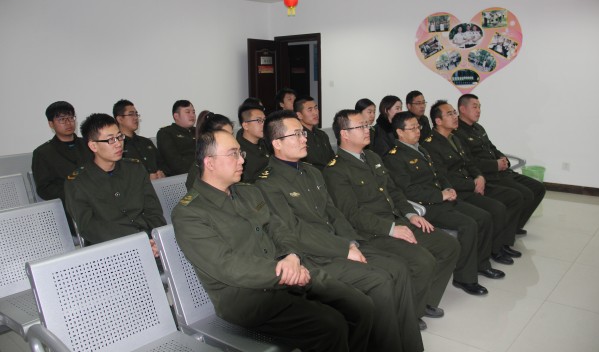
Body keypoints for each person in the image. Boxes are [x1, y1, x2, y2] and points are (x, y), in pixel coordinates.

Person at [172, 129, 374, 352]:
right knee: (330, 325)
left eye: (241, 153)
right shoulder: (190, 213)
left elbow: (278, 228)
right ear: (209, 163)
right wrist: (284, 272)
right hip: (247, 296)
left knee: (361, 305)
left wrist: (292, 255)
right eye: (233, 154)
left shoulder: (248, 192)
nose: (242, 160)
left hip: (288, 274)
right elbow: (227, 265)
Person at [257, 110, 424, 352]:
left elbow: (333, 213)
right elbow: (296, 232)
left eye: (303, 133)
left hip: (339, 243)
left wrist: (352, 242)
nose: (304, 138)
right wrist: (344, 248)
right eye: (297, 134)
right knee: (379, 281)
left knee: (398, 267)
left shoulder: (311, 172)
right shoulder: (267, 183)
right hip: (314, 256)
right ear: (277, 143)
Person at [323, 109, 460, 329]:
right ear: (344, 134)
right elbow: (351, 214)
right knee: (423, 261)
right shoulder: (335, 171)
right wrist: (391, 228)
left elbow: (394, 191)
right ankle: (409, 314)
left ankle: (423, 301)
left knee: (449, 245)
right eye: (361, 126)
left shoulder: (372, 158)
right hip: (372, 233)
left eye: (367, 125)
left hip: (398, 220)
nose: (367, 130)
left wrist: (411, 214)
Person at [382, 112, 505, 296]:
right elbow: (407, 190)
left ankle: (481, 264)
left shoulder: (420, 149)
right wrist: (440, 195)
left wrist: (448, 187)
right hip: (426, 206)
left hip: (443, 199)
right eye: (412, 128)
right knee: (468, 224)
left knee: (484, 217)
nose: (417, 131)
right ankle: (465, 278)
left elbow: (438, 174)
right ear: (400, 132)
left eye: (418, 126)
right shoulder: (394, 157)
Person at [424, 101, 523, 264]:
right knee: (492, 211)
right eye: (449, 114)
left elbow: (469, 162)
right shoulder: (430, 145)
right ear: (438, 121)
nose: (455, 116)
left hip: (472, 184)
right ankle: (488, 255)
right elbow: (444, 177)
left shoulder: (454, 138)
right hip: (458, 191)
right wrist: (473, 184)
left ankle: (499, 246)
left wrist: (479, 177)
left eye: (454, 112)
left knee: (510, 199)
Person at [64, 113, 166, 252]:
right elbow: (89, 227)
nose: (118, 144)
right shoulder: (78, 182)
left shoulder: (135, 169)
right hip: (111, 249)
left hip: (149, 240)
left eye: (119, 137)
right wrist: (137, 243)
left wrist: (156, 238)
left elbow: (153, 210)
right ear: (93, 146)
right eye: (111, 140)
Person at [455, 94, 546, 234]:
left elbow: (491, 148)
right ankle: (505, 233)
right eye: (475, 107)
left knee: (538, 188)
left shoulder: (478, 128)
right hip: (488, 175)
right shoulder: (457, 133)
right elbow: (469, 162)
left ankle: (514, 227)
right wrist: (495, 165)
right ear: (462, 109)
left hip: (502, 171)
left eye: (479, 107)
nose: (478, 110)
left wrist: (503, 159)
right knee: (524, 194)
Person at [32, 101, 92, 234]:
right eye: (61, 119)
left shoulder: (89, 144)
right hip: (69, 207)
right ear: (51, 124)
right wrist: (73, 193)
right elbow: (44, 188)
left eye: (71, 118)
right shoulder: (43, 153)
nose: (68, 122)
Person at [113, 99, 166, 180]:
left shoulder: (146, 142)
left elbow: (163, 164)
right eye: (131, 114)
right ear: (120, 119)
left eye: (136, 114)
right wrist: (145, 179)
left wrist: (162, 173)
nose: (135, 118)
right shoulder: (116, 145)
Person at [185, 111, 233, 190]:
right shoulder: (198, 170)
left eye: (231, 135)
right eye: (226, 136)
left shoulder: (230, 158)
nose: (232, 140)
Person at [294, 96, 335, 171]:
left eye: (316, 108)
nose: (315, 113)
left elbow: (332, 159)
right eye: (310, 110)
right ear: (299, 115)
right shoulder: (296, 137)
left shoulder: (322, 134)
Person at [156, 100, 196, 175]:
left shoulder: (199, 131)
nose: (192, 115)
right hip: (182, 177)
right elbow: (175, 164)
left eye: (193, 112)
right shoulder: (166, 133)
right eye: (188, 112)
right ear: (176, 116)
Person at [237, 103, 270, 183]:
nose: (264, 125)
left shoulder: (266, 142)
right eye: (259, 121)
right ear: (246, 125)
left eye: (264, 120)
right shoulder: (239, 151)